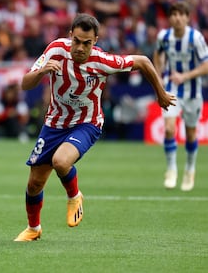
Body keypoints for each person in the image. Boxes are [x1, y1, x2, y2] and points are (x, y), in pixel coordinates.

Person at [14, 13, 176, 242]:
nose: (80, 48)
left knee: (61, 161)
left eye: (87, 43)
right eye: (77, 41)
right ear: (70, 36)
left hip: (86, 123)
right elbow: (24, 84)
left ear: (95, 41)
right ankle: (34, 229)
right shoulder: (55, 50)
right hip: (54, 123)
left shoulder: (102, 61)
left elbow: (143, 62)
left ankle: (75, 196)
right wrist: (41, 71)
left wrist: (160, 94)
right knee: (34, 183)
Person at [153, 0, 208, 192]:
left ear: (187, 18)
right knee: (169, 130)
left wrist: (185, 76)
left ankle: (190, 170)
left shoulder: (196, 38)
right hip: (171, 89)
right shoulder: (164, 36)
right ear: (169, 18)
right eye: (173, 14)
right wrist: (158, 77)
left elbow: (206, 65)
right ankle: (171, 169)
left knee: (191, 133)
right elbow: (157, 55)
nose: (177, 18)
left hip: (192, 90)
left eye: (180, 15)